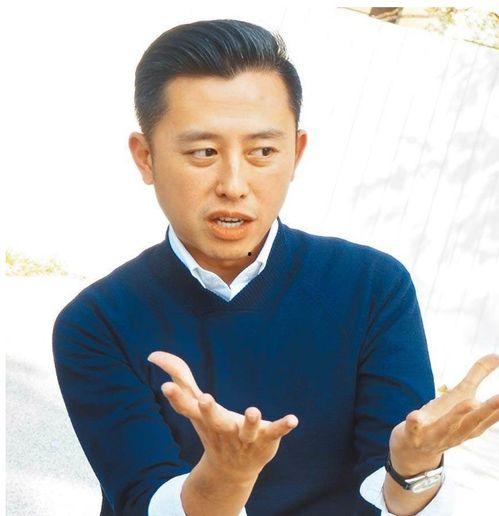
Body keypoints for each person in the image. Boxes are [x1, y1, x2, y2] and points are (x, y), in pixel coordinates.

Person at [52, 19, 499, 516]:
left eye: (262, 151)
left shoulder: (373, 287)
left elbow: (393, 491)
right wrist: (226, 476)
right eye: (203, 152)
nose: (234, 184)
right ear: (146, 157)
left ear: (296, 152)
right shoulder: (96, 322)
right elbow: (147, 500)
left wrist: (414, 466)